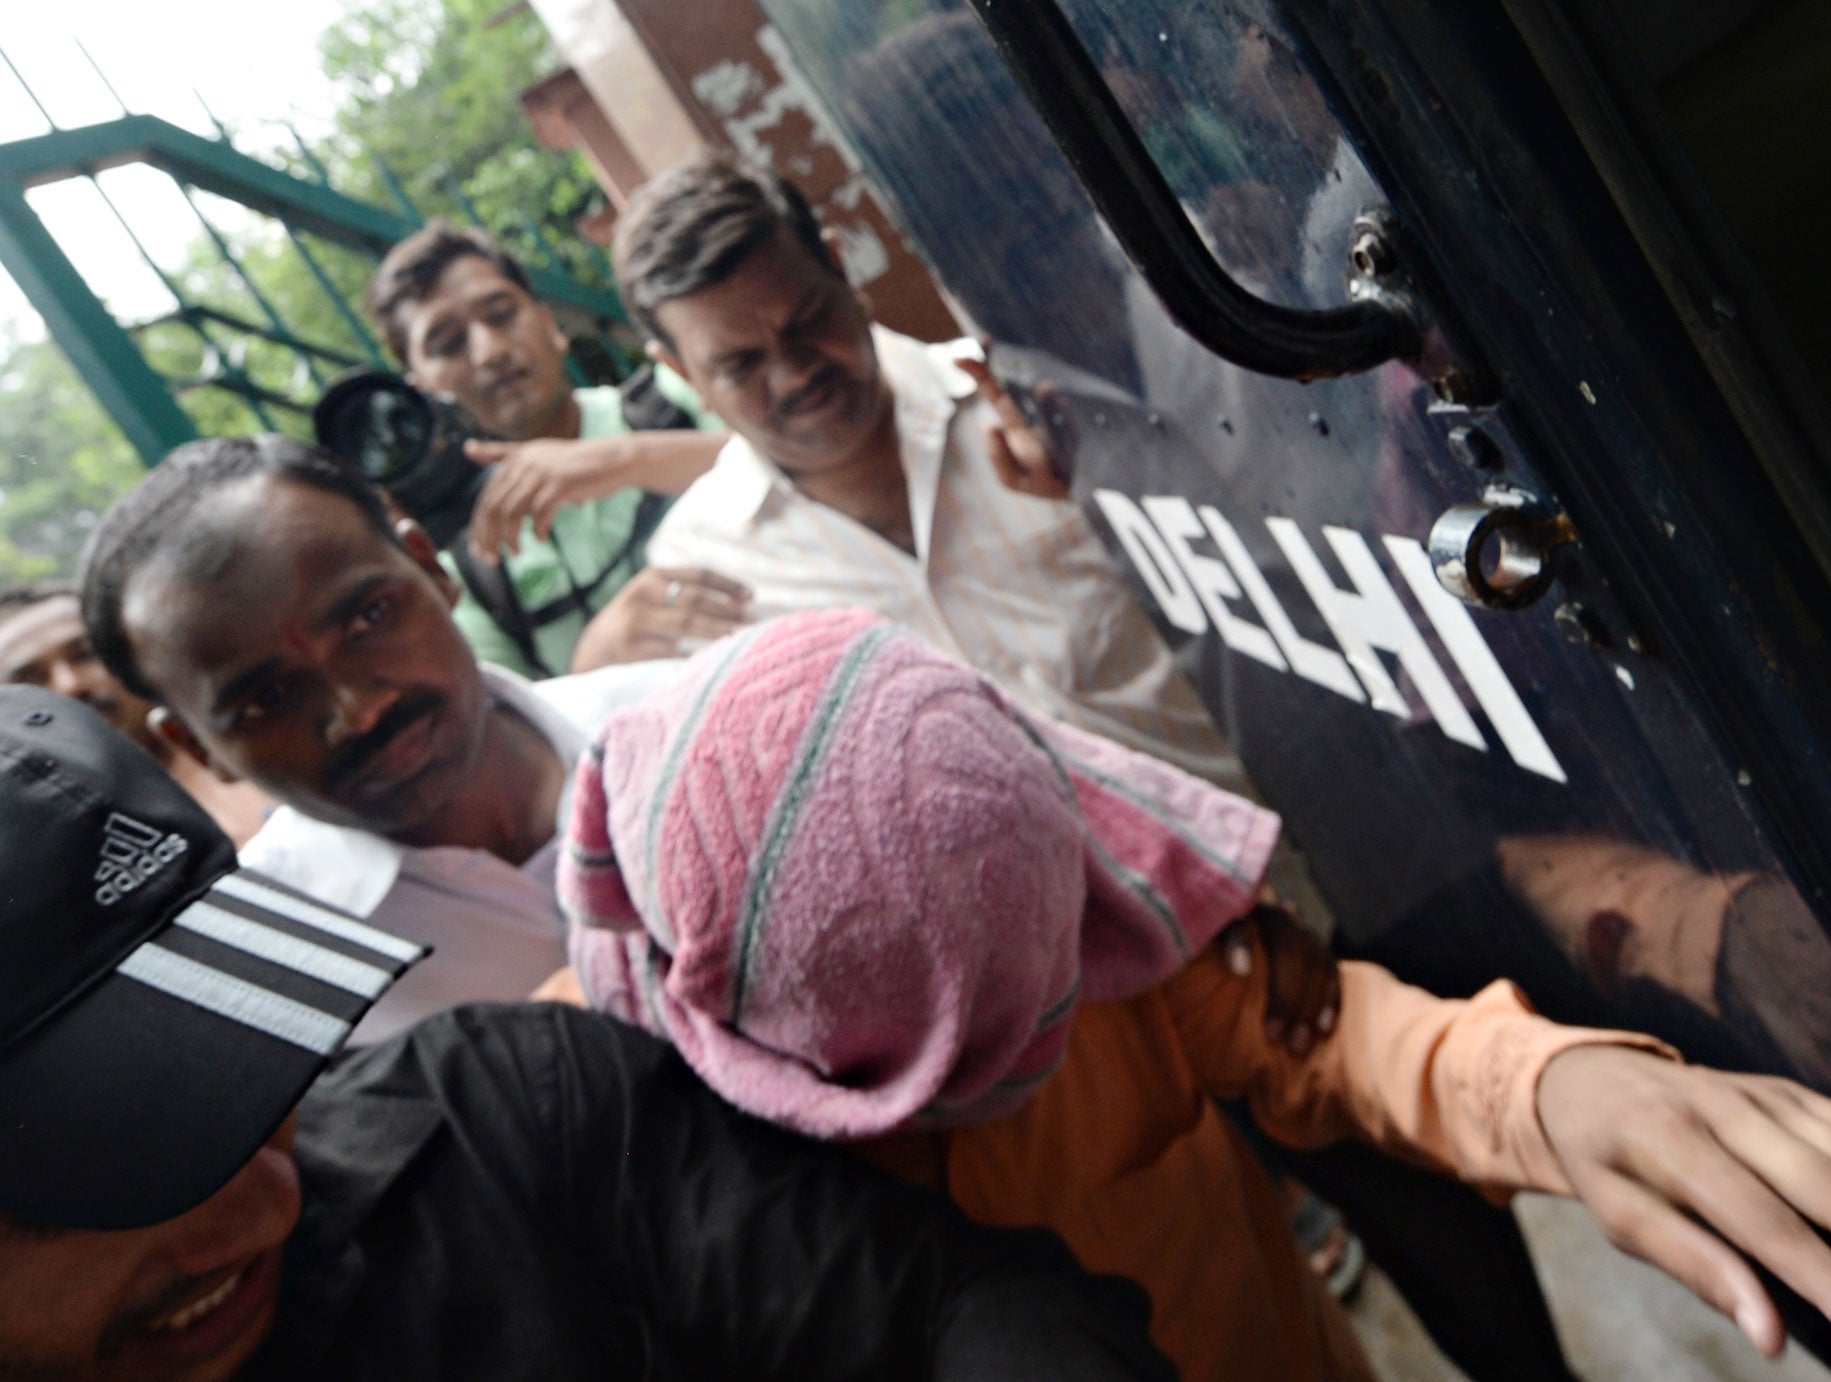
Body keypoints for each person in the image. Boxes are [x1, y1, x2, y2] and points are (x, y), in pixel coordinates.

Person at [560, 609, 1831, 1382]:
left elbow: (1325, 1036)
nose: (1059, 1041)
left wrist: (1564, 1087)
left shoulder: (1099, 922)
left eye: (1061, 976)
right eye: (975, 1057)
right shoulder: (589, 1147)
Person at [0, 683, 1234, 1382]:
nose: (262, 1201)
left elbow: (953, 1310)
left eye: (241, 1075)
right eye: (105, 1174)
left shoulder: (501, 1112)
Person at [618, 158, 1249, 793]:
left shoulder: (1036, 407)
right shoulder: (703, 571)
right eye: (739, 364)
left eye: (807, 320)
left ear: (838, 266)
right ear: (679, 370)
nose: (794, 373)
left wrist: (1106, 484)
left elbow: (1252, 590)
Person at [78, 436, 688, 1042]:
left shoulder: (684, 715)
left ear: (430, 567)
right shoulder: (269, 986)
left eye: (370, 618)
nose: (360, 711)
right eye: (268, 699)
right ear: (196, 746)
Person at [367, 220, 749, 676]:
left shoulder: (679, 394)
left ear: (550, 324)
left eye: (501, 314)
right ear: (423, 391)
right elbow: (506, 711)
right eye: (449, 344)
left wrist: (627, 459)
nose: (489, 351)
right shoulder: (469, 577)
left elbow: (805, 461)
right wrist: (595, 658)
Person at [0, 579, 271, 846]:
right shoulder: (45, 852)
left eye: (84, 654)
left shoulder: (262, 743)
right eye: (31, 679)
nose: (70, 684)